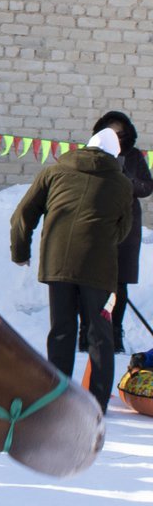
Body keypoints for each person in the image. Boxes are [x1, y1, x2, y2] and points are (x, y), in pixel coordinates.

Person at [10, 128, 133, 413]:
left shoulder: (54, 172)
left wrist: (20, 251)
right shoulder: (122, 184)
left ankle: (56, 398)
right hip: (99, 268)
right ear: (115, 155)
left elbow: (22, 215)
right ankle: (95, 405)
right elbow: (123, 229)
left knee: (62, 330)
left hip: (57, 261)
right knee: (100, 334)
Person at [78, 112, 153, 353]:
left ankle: (115, 333)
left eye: (120, 132)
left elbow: (146, 187)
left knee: (119, 283)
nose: (116, 137)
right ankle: (86, 331)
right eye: (110, 131)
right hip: (96, 223)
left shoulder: (133, 156)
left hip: (126, 226)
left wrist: (125, 178)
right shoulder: (91, 154)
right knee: (88, 280)